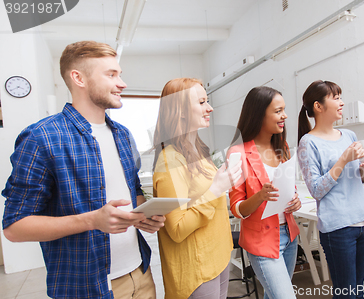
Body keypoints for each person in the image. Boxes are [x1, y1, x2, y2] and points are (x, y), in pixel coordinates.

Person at [2, 41, 165, 299]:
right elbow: (15, 227)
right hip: (87, 286)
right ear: (78, 78)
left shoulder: (122, 135)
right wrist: (91, 220)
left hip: (140, 273)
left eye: (119, 74)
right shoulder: (42, 137)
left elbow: (132, 191)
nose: (121, 83)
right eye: (111, 75)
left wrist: (143, 215)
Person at [152, 78, 242, 299]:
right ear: (180, 110)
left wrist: (226, 183)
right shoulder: (171, 160)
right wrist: (216, 189)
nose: (209, 108)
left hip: (218, 256)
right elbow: (177, 229)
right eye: (202, 102)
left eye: (207, 101)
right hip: (197, 269)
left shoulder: (199, 150)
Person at [297, 80, 364, 299]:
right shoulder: (308, 143)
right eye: (336, 98)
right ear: (318, 106)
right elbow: (316, 190)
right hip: (339, 227)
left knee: (358, 290)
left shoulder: (349, 135)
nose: (342, 103)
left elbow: (354, 179)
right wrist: (342, 160)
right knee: (346, 294)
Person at [228, 86, 302, 299]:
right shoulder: (238, 153)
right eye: (278, 111)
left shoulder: (282, 146)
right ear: (260, 114)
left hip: (289, 235)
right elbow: (237, 209)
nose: (285, 115)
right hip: (261, 240)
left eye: (284, 110)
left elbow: (288, 187)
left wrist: (294, 200)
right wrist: (260, 195)